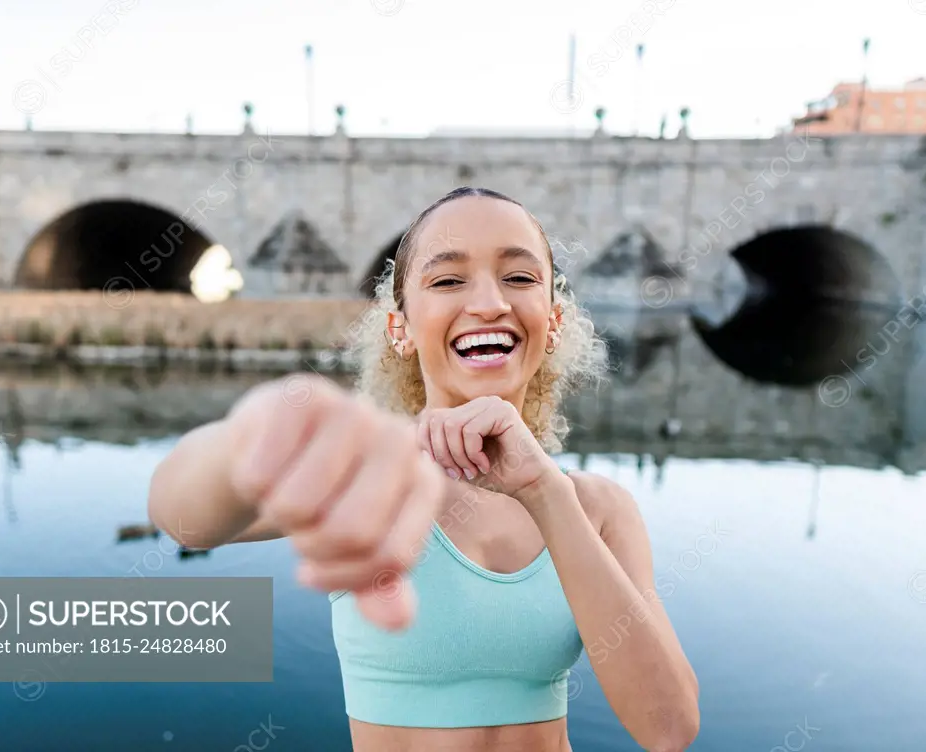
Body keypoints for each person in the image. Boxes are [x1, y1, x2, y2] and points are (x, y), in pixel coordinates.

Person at [148, 187, 700, 752]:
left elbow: (668, 728)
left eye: (519, 277)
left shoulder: (597, 508)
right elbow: (182, 518)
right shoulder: (366, 477)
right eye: (447, 280)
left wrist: (544, 492)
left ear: (553, 320)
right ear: (400, 328)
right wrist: (247, 438)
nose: (489, 302)